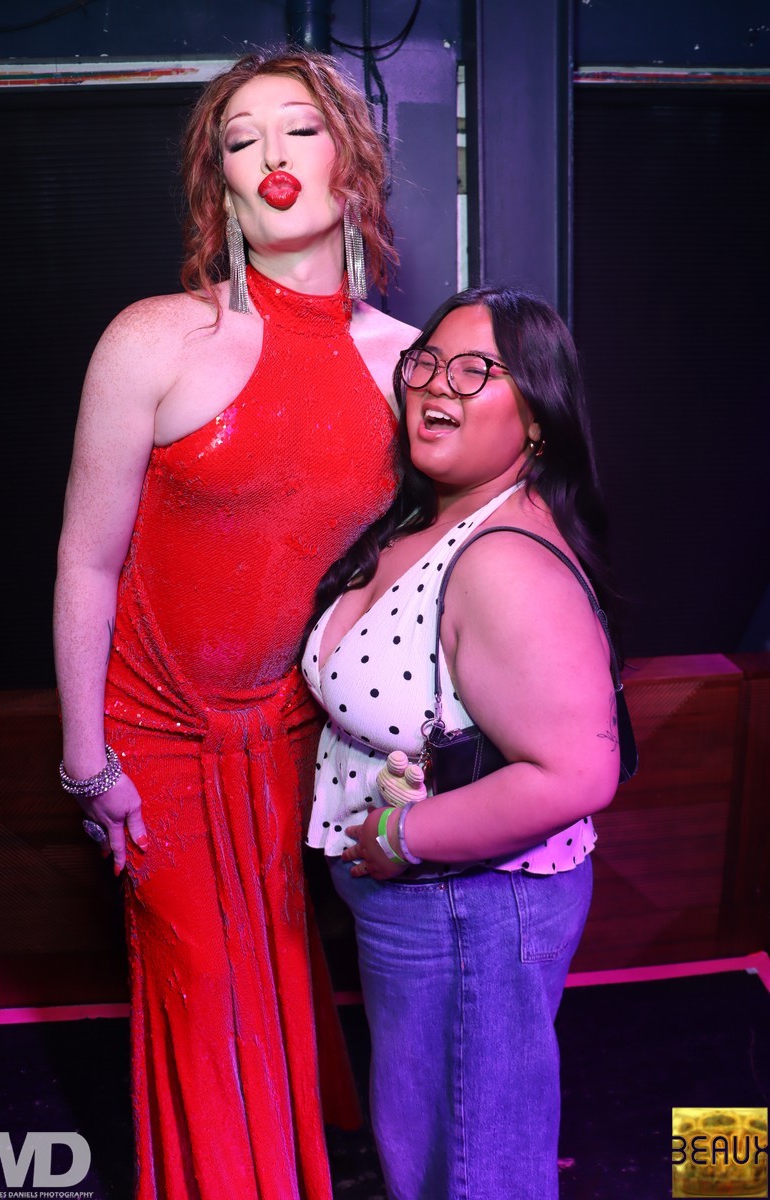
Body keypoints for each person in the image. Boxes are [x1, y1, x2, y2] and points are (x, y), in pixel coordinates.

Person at [53, 47, 417, 1200]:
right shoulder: (154, 338)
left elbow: (410, 580)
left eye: (298, 128)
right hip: (153, 740)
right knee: (205, 993)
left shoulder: (409, 365)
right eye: (240, 138)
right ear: (218, 183)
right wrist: (86, 762)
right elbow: (86, 560)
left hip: (296, 744)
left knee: (280, 980)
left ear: (351, 162)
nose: (270, 155)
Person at [303, 285, 622, 1199]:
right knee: (428, 1152)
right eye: (429, 362)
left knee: (478, 1168)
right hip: (426, 908)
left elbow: (579, 771)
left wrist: (403, 835)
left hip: (471, 907)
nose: (438, 383)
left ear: (538, 421)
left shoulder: (504, 559)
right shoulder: (430, 516)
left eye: (478, 370)